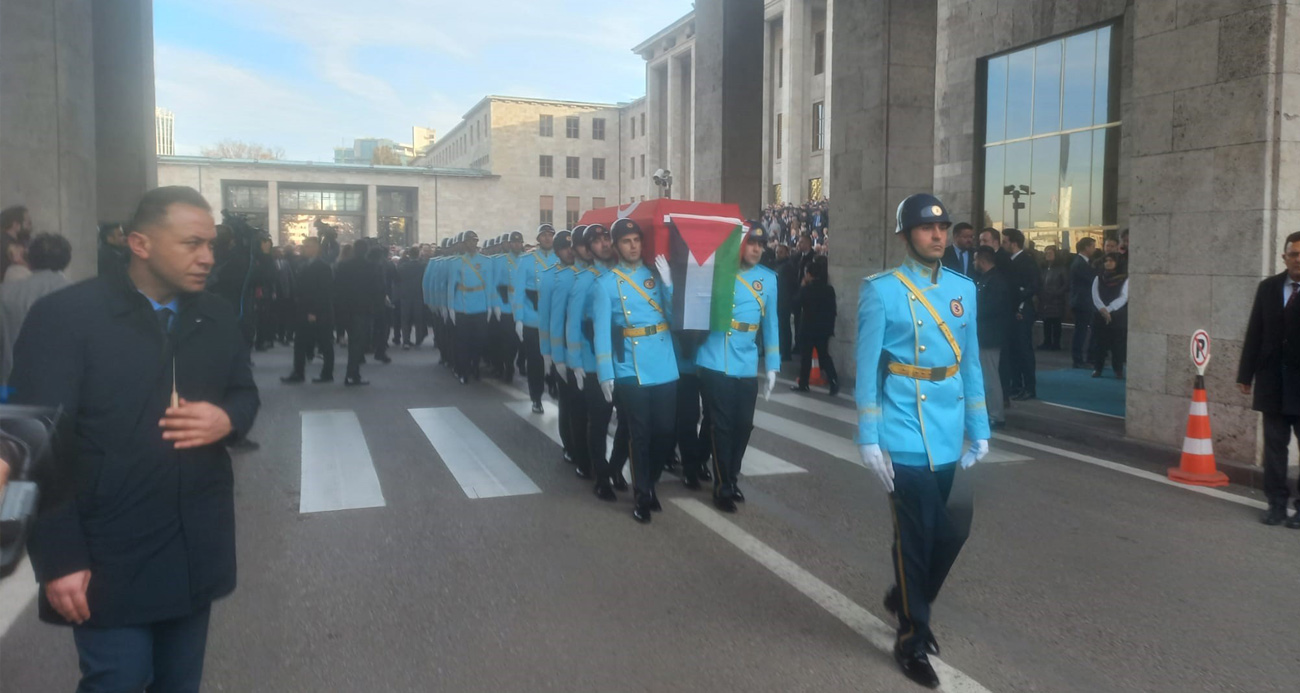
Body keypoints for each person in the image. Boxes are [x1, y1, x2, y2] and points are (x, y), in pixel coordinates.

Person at [11, 185, 259, 692]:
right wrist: (59, 560)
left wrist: (228, 418)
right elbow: (37, 443)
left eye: (212, 245)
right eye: (192, 244)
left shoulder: (215, 317)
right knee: (117, 680)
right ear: (140, 244)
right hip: (107, 553)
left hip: (194, 544)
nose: (207, 257)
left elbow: (244, 393)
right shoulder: (67, 318)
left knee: (178, 684)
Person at [855, 193, 990, 689]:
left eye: (942, 228)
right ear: (905, 236)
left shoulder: (963, 290)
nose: (937, 236)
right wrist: (869, 437)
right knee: (914, 538)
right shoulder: (882, 292)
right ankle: (912, 636)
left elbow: (970, 361)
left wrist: (980, 427)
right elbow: (867, 368)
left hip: (949, 430)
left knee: (954, 529)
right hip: (903, 430)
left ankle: (907, 598)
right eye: (925, 228)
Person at [593, 219, 678, 524]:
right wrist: (605, 372)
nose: (633, 246)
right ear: (615, 247)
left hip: (664, 361)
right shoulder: (605, 284)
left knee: (666, 432)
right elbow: (602, 332)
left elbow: (673, 316)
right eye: (626, 241)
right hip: (631, 365)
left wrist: (668, 285)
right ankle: (643, 494)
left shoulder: (655, 275)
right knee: (640, 433)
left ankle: (647, 480)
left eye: (636, 240)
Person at [696, 224, 780, 512]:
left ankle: (730, 476)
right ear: (739, 245)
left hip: (745, 361)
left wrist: (773, 366)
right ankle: (723, 486)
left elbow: (771, 326)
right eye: (751, 242)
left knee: (743, 425)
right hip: (715, 357)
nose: (757, 248)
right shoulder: (718, 273)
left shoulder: (768, 280)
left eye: (762, 243)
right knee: (721, 425)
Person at [1239, 231, 1300, 527]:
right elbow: (1255, 333)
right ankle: (1276, 504)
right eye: (1294, 254)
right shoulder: (1268, 288)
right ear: (1284, 257)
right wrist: (1245, 374)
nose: (1299, 259)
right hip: (1272, 383)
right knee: (1275, 449)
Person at [0, 233, 73, 384]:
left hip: (9, 384)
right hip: (60, 385)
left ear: (30, 259)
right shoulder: (78, 295)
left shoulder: (4, 292)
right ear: (67, 260)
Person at [539, 229, 579, 463]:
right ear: (556, 251)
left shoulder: (585, 272)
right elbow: (545, 320)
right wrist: (548, 355)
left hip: (581, 345)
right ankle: (569, 445)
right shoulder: (549, 277)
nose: (570, 251)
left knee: (582, 402)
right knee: (567, 400)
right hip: (561, 346)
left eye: (572, 246)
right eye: (565, 247)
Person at [513, 224, 557, 412]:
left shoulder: (561, 258)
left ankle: (555, 388)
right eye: (544, 235)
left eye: (550, 235)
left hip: (555, 317)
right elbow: (519, 291)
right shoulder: (526, 260)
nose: (547, 238)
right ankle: (536, 397)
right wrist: (519, 318)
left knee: (557, 359)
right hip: (533, 317)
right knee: (535, 361)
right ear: (538, 239)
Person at [281, 236, 335, 384]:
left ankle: (327, 373)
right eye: (304, 246)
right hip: (304, 309)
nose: (305, 249)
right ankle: (298, 372)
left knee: (324, 343)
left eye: (308, 246)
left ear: (317, 248)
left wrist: (314, 311)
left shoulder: (323, 267)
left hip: (318, 311)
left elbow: (324, 291)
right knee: (300, 342)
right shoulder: (304, 264)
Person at [334, 238, 383, 386]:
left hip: (345, 308)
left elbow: (337, 288)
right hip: (363, 309)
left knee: (353, 342)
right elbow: (377, 289)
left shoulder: (343, 266)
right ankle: (352, 374)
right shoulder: (372, 267)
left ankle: (353, 373)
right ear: (366, 250)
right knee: (358, 342)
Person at [974, 247, 1012, 429]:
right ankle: (989, 412)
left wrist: (972, 313)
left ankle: (997, 415)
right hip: (984, 334)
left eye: (975, 260)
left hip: (990, 335)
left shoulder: (995, 281)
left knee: (990, 376)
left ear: (982, 260)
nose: (974, 264)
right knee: (985, 375)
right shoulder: (986, 279)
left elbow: (990, 308)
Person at [447, 230, 491, 385]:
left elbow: (489, 285)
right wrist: (451, 306)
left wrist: (490, 306)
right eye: (469, 241)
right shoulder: (456, 262)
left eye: (474, 241)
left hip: (480, 304)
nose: (472, 244)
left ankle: (475, 366)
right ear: (464, 244)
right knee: (463, 341)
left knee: (479, 340)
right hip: (462, 305)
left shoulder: (486, 261)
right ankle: (463, 371)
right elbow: (452, 285)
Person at [791, 256, 839, 394]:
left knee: (806, 357)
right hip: (824, 329)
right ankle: (833, 380)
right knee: (824, 356)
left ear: (809, 274)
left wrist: (801, 287)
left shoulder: (806, 289)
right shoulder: (829, 290)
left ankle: (804, 384)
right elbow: (833, 310)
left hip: (808, 328)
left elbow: (795, 304)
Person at [1002, 228, 1040, 400]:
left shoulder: (1027, 261)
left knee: (1024, 350)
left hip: (1022, 311)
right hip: (1011, 310)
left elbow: (1033, 286)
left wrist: (1018, 296)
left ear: (1014, 243)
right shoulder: (1008, 261)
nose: (1003, 245)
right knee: (1013, 350)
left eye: (1005, 242)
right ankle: (1016, 385)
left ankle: (1029, 387)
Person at [1090, 252, 1128, 379]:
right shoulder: (1098, 277)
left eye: (1111, 261)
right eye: (1106, 261)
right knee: (1099, 344)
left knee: (1118, 345)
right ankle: (1097, 368)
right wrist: (1103, 310)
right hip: (1100, 315)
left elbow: (1124, 297)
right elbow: (1095, 295)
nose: (1108, 263)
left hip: (1118, 316)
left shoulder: (1124, 278)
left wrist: (1110, 309)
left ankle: (1118, 370)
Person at [1069, 237, 1098, 369]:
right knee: (1081, 331)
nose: (1094, 249)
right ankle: (1078, 359)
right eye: (1092, 246)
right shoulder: (1080, 263)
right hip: (1082, 301)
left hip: (1083, 301)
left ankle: (1082, 358)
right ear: (1086, 247)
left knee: (1082, 330)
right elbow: (1092, 279)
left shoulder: (1083, 262)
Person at [1037, 246, 1069, 351]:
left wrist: (1057, 293)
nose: (1048, 255)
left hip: (1056, 300)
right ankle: (1047, 342)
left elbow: (1066, 284)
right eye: (1046, 253)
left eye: (1050, 253)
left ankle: (1056, 344)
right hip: (1045, 300)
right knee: (1046, 322)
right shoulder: (1043, 269)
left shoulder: (1061, 269)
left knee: (1056, 323)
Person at [397, 247, 427, 349]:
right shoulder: (423, 266)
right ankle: (418, 339)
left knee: (405, 319)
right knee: (419, 318)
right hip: (419, 294)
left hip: (405, 295)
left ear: (409, 254)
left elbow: (398, 279)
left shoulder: (403, 267)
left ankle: (406, 340)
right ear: (418, 254)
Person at [776, 244, 798, 361]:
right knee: (781, 326)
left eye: (780, 252)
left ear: (786, 253)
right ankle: (782, 350)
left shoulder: (787, 267)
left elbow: (789, 285)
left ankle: (785, 352)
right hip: (779, 300)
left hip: (784, 301)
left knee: (784, 326)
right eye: (777, 252)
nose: (778, 254)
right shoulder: (779, 266)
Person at [0, 205, 33, 282]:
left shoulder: (21, 241)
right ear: (16, 225)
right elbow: (17, 259)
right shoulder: (4, 242)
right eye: (28, 222)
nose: (30, 226)